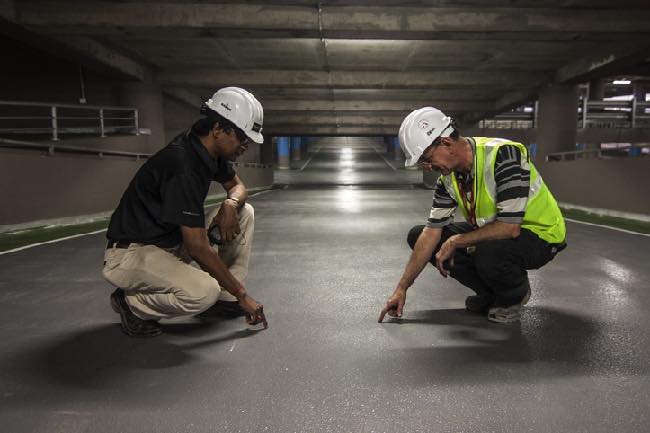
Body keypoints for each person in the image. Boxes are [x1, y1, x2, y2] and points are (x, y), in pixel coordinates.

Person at [103, 87, 268, 337]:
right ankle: (132, 304)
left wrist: (231, 204)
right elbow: (198, 248)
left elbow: (238, 186)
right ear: (218, 129)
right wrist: (243, 295)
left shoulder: (208, 151)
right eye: (242, 138)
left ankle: (224, 297)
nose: (245, 146)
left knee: (245, 212)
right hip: (131, 253)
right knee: (203, 292)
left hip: (169, 243)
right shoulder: (182, 165)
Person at [379, 107, 566, 324]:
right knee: (419, 235)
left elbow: (509, 228)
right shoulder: (448, 179)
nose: (428, 167)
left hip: (541, 235)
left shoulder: (504, 155)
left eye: (427, 159)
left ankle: (513, 295)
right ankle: (489, 294)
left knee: (487, 250)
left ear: (446, 143)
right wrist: (401, 289)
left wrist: (457, 240)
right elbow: (431, 234)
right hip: (500, 233)